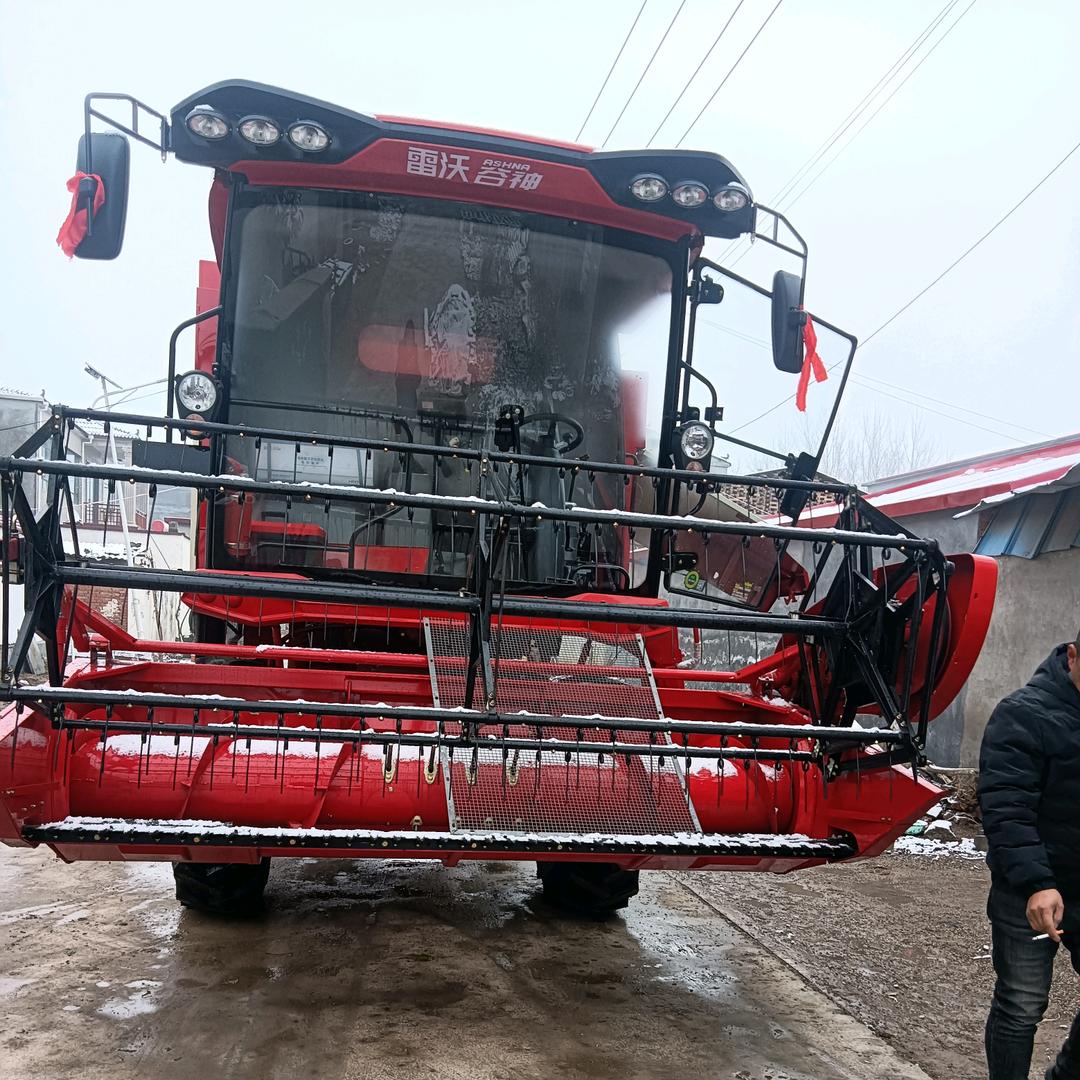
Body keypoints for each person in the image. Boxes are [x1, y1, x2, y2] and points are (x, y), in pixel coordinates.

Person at [979, 631, 1080, 1079]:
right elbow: (1007, 807)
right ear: (1072, 656)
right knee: (1021, 1005)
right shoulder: (1023, 714)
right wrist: (1038, 883)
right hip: (1031, 890)